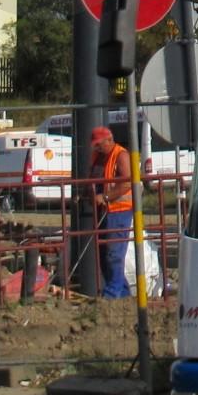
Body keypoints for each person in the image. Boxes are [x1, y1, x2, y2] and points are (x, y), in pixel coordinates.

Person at [89, 126, 134, 299]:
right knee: (104, 255)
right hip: (104, 211)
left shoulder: (121, 155)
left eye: (99, 144)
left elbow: (127, 182)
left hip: (119, 211)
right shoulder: (98, 157)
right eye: (95, 145)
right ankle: (123, 295)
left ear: (109, 140)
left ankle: (112, 293)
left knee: (114, 254)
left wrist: (105, 196)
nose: (97, 147)